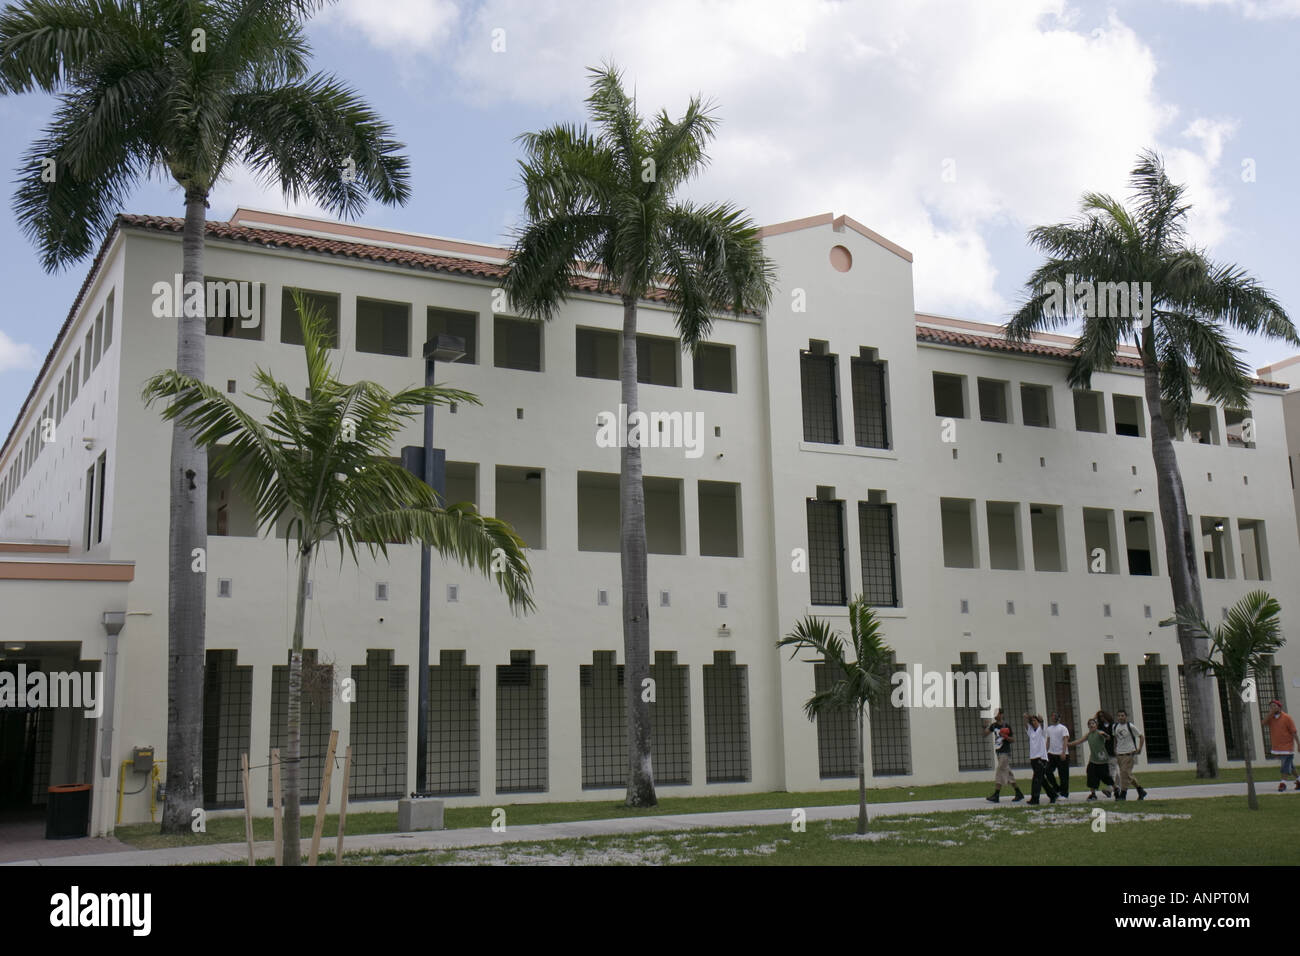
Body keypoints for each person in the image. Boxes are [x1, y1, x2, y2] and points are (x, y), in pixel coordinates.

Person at [985, 708, 1025, 803]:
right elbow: (985, 734)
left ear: (1001, 714)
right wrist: (985, 727)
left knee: (999, 771)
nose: (996, 715)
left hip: (1005, 752)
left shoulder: (1006, 726)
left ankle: (996, 794)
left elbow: (1012, 739)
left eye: (997, 714)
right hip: (998, 752)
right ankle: (1018, 793)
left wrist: (1005, 736)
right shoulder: (993, 725)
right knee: (1008, 773)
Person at [1067, 718, 1114, 799]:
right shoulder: (1088, 735)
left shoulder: (1099, 733)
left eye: (1093, 723)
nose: (1091, 725)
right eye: (1090, 724)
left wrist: (1105, 734)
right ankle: (1093, 794)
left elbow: (1108, 737)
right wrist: (1068, 744)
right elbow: (1079, 741)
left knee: (1106, 777)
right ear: (1088, 726)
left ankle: (1116, 789)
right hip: (1093, 760)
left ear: (1096, 725)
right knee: (1091, 776)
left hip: (1102, 761)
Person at [1263, 699, 1299, 792]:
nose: (1273, 708)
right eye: (1271, 707)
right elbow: (1263, 723)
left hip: (1287, 747)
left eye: (1274, 706)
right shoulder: (1271, 718)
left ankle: (1283, 783)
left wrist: (1298, 744)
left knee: (1284, 765)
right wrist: (1270, 714)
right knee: (1290, 765)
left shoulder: (1287, 718)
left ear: (1279, 707)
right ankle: (1299, 780)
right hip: (1277, 747)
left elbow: (1294, 732)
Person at [1023, 713, 1058, 804]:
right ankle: (1053, 794)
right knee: (1041, 779)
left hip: (1041, 758)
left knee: (1036, 779)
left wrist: (1041, 720)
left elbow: (1043, 726)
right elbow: (1027, 726)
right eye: (1032, 721)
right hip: (1033, 758)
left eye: (1035, 721)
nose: (1033, 722)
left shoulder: (1041, 730)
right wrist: (1027, 719)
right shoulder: (1031, 731)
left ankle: (1035, 799)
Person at [1112, 709, 1147, 800]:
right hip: (1119, 753)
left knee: (1124, 773)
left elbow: (1141, 736)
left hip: (1129, 753)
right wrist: (1115, 749)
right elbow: (1115, 738)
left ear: (1126, 716)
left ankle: (1123, 794)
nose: (1120, 717)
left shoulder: (1130, 726)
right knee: (1127, 774)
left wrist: (1139, 748)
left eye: (1122, 715)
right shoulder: (1115, 726)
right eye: (1119, 715)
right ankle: (1140, 790)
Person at [1045, 712, 1071, 798]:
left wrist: (1063, 752)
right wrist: (1045, 753)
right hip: (1052, 754)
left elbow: (1065, 740)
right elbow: (1048, 741)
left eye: (1054, 716)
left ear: (1058, 718)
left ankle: (1064, 793)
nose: (1053, 718)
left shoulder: (1063, 728)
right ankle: (1056, 788)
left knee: (1063, 775)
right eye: (1052, 716)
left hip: (1062, 754)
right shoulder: (1049, 729)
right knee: (1047, 771)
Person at [1096, 709, 1120, 795]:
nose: (1102, 718)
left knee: (1112, 769)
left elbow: (1115, 738)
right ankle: (1117, 788)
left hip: (1112, 749)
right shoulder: (1100, 727)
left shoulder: (1113, 726)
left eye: (1103, 716)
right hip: (1104, 750)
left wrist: (1116, 748)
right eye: (1100, 717)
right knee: (1114, 770)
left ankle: (1110, 789)